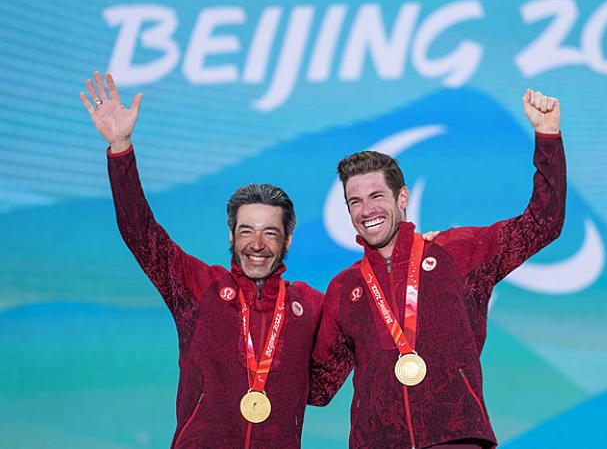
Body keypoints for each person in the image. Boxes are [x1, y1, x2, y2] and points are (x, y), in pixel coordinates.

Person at [308, 88, 567, 448]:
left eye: (377, 196)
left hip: (455, 436)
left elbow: (542, 224)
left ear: (402, 198)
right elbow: (318, 387)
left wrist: (548, 137)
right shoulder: (344, 288)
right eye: (355, 201)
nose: (366, 210)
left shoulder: (460, 253)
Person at [80, 71, 323, 448]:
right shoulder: (199, 286)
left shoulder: (308, 305)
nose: (256, 244)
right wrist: (121, 147)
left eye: (270, 233)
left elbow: (326, 381)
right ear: (231, 234)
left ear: (288, 238)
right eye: (246, 231)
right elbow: (141, 234)